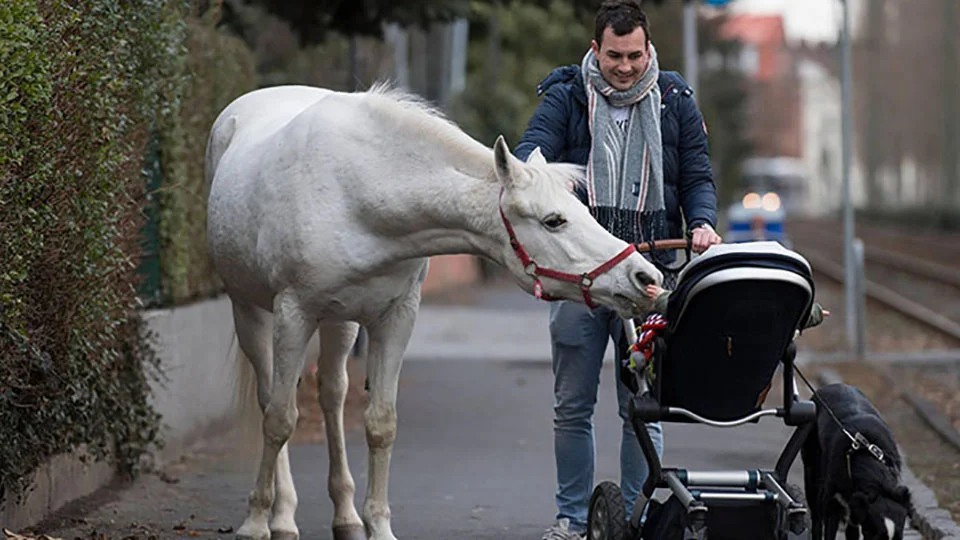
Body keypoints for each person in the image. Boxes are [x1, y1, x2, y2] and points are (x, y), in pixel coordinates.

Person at [512, 1, 723, 538]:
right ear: (594, 50)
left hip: (649, 276)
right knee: (572, 406)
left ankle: (641, 518)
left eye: (634, 55)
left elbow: (697, 175)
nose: (625, 67)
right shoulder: (565, 97)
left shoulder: (674, 100)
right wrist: (535, 173)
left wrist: (700, 222)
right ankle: (572, 519)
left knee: (644, 408)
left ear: (649, 49)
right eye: (614, 56)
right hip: (582, 281)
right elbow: (530, 157)